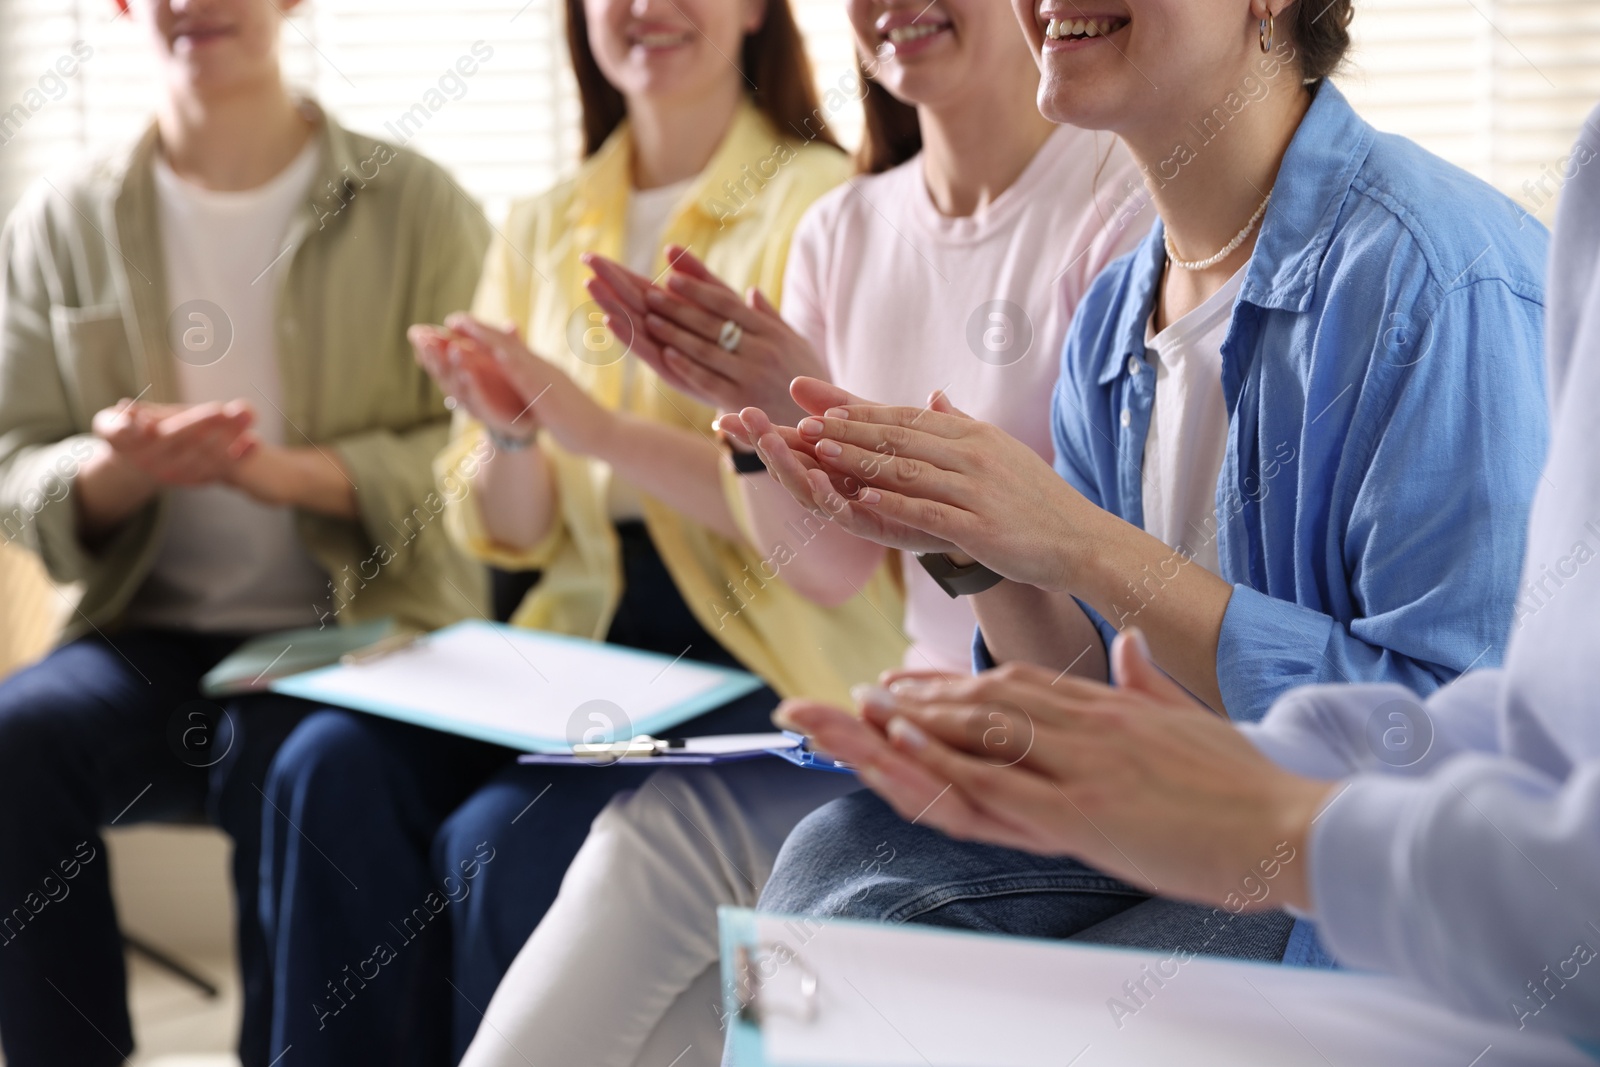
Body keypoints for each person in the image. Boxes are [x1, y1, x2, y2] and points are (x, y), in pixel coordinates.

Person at [745, 0, 1551, 974]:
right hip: (1177, 836)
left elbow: (1457, 754)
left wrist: (1085, 543)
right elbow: (1094, 693)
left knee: (950, 982)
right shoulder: (1112, 318)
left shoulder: (1435, 283)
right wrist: (963, 541)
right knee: (836, 867)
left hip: (1364, 878)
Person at [458, 0, 1151, 1061]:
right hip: (898, 725)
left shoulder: (1116, 204)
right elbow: (826, 568)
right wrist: (758, 420)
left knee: (711, 1026)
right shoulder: (845, 227)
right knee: (643, 843)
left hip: (1051, 740)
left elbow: (1103, 598)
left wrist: (868, 447)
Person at [256, 0, 906, 1063]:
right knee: (323, 764)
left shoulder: (820, 205)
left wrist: (589, 426)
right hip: (573, 641)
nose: (647, 9)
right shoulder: (543, 219)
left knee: (491, 843)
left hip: (758, 640)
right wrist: (510, 438)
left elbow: (817, 516)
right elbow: (509, 529)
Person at [0, 1, 489, 1065]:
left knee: (293, 768)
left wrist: (289, 474)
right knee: (16, 734)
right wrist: (112, 472)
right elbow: (16, 461)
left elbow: (470, 450)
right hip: (150, 630)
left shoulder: (417, 204)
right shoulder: (58, 220)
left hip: (352, 631)